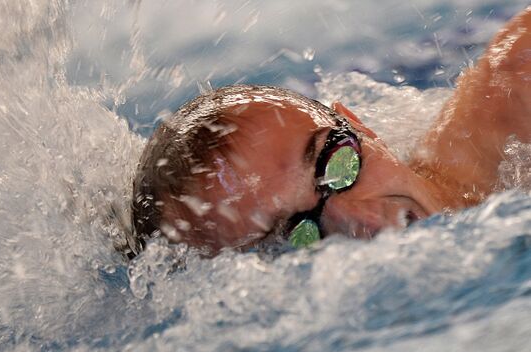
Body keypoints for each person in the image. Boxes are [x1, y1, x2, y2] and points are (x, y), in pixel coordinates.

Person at [126, 7, 531, 258]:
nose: (364, 221)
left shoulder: (517, 92)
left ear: (359, 126)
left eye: (336, 163)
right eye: (296, 233)